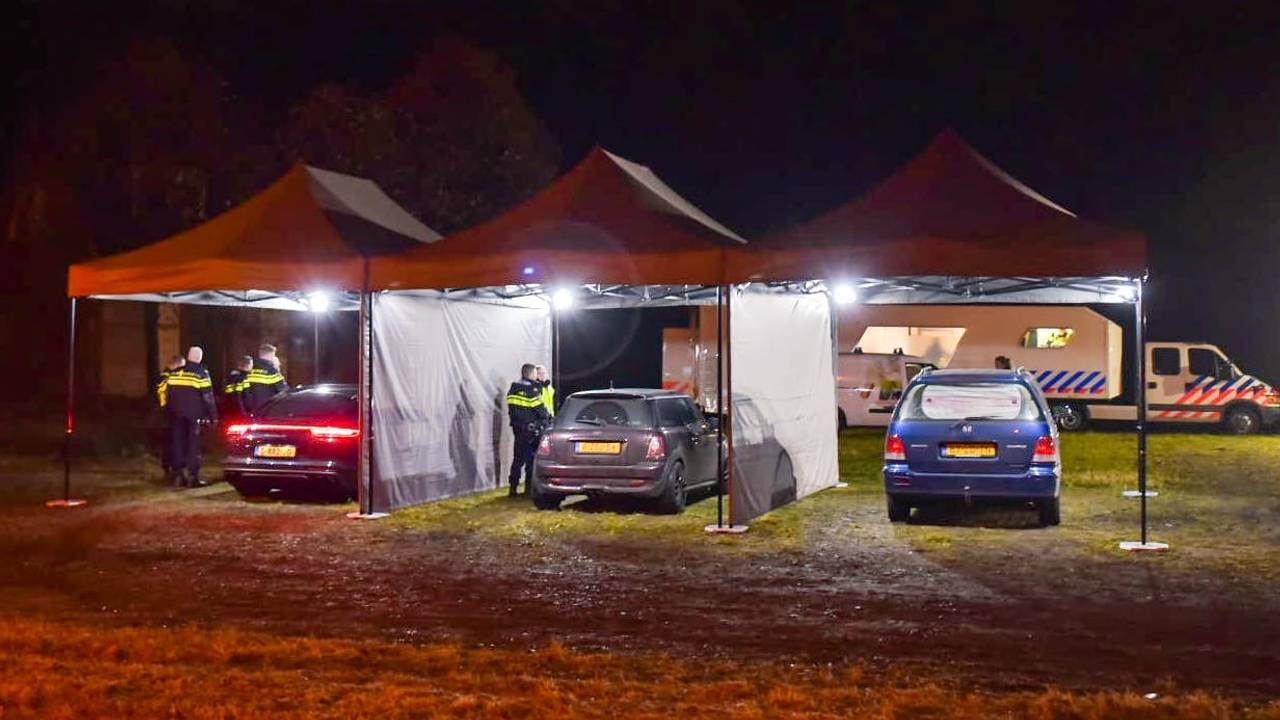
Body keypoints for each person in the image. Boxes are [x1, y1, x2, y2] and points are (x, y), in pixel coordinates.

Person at [159, 346, 217, 487]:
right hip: (193, 416)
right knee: (193, 446)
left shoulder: (175, 372)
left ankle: (178, 475)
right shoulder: (201, 373)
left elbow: (165, 391)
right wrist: (213, 416)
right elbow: (207, 396)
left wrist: (167, 409)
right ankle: (193, 477)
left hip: (175, 415)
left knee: (178, 444)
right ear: (199, 358)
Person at [506, 363, 550, 497]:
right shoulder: (532, 391)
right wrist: (547, 417)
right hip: (531, 431)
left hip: (518, 429)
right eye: (536, 373)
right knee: (531, 461)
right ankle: (528, 490)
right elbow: (541, 412)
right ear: (531, 374)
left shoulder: (512, 389)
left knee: (517, 459)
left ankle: (512, 489)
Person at [155, 354, 186, 477]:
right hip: (168, 414)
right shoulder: (167, 377)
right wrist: (169, 408)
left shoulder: (167, 376)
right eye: (182, 366)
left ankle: (171, 467)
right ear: (176, 365)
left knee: (171, 442)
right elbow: (162, 395)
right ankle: (170, 468)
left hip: (169, 414)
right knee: (170, 442)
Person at [243, 343, 288, 416]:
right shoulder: (272, 371)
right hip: (267, 410)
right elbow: (284, 391)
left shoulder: (249, 370)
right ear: (270, 355)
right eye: (273, 355)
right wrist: (277, 368)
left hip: (251, 410)